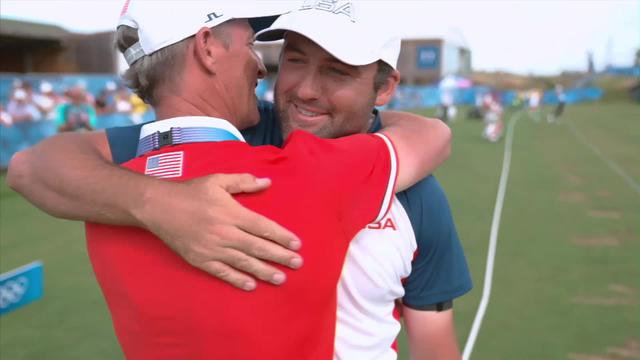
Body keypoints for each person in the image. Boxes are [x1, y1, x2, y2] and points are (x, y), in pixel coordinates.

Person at [8, 1, 465, 358]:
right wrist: (159, 202)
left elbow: (433, 339)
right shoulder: (317, 167)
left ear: (384, 88)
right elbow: (36, 166)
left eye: (337, 72)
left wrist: (149, 196)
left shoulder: (417, 196)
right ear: (207, 47)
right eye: (293, 59)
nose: (302, 88)